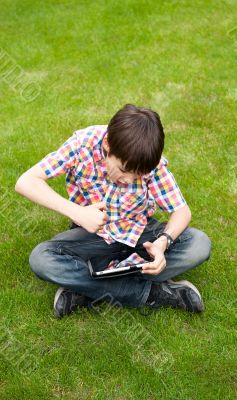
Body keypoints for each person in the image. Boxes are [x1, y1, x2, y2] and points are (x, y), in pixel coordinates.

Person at [15, 104, 211, 318]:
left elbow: (182, 211)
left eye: (138, 176)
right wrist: (77, 212)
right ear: (107, 145)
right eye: (124, 170)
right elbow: (26, 182)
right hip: (93, 236)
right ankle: (155, 293)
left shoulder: (145, 157)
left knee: (198, 243)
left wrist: (162, 243)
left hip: (140, 234)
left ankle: (86, 289)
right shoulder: (82, 144)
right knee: (42, 258)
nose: (129, 180)